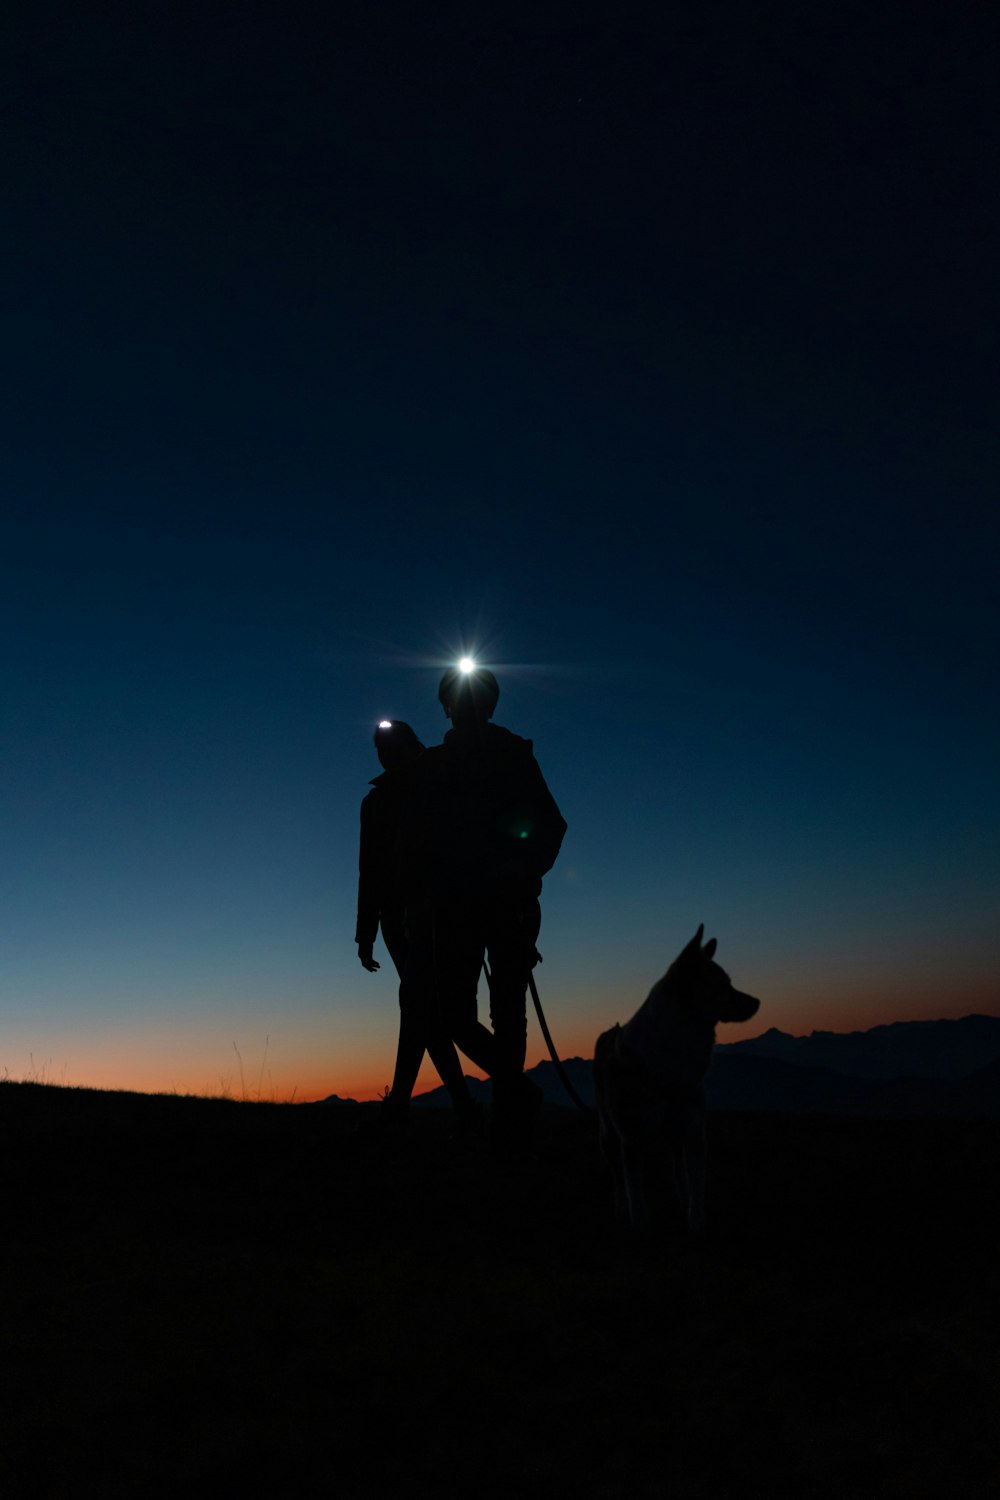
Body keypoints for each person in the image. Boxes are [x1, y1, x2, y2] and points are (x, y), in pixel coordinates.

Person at [400, 666, 567, 1141]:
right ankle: (516, 1090)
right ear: (447, 707)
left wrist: (520, 871)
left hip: (505, 903)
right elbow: (418, 840)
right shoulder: (434, 767)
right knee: (456, 1015)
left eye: (475, 701)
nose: (466, 709)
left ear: (489, 707)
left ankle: (509, 1114)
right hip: (456, 907)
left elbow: (550, 825)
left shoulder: (513, 757)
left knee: (507, 1011)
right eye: (458, 700)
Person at [356, 719, 480, 1133]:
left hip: (438, 911)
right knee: (423, 1008)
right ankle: (456, 1102)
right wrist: (366, 932)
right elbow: (368, 871)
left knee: (421, 1006)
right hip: (397, 919)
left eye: (391, 746)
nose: (385, 754)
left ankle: (407, 1105)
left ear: (409, 745)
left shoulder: (435, 782)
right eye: (380, 749)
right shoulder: (374, 803)